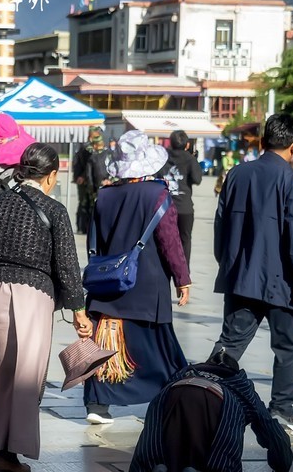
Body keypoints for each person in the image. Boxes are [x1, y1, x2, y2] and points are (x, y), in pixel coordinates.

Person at [0, 143, 88, 472]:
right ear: (51, 175)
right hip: (29, 295)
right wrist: (79, 312)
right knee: (24, 375)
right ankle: (8, 455)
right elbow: (68, 266)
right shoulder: (54, 209)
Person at [212, 114, 293, 433]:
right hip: (282, 281)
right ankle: (282, 408)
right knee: (287, 346)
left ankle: (208, 393)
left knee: (230, 342)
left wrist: (228, 262)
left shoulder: (237, 173)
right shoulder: (291, 181)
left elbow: (221, 224)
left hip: (242, 275)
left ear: (263, 141)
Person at [106, 349, 293, 472]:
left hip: (170, 395)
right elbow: (272, 433)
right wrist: (283, 470)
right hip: (220, 401)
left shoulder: (183, 373)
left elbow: (145, 449)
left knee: (154, 456)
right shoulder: (241, 384)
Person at [83, 131, 192, 426]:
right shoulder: (156, 194)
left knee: (105, 349)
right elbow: (170, 241)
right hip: (146, 287)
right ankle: (173, 397)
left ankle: (98, 403)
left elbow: (93, 240)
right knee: (159, 350)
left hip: (107, 286)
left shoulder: (104, 195)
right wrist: (182, 279)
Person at [162, 129, 203, 263]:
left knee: (164, 239)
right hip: (184, 207)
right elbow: (197, 179)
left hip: (164, 207)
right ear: (187, 145)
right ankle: (184, 272)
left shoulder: (163, 157)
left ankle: (166, 269)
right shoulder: (189, 159)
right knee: (185, 239)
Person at [72, 126, 104, 235]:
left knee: (91, 205)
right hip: (85, 181)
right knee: (83, 204)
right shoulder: (85, 148)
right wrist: (79, 176)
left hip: (92, 180)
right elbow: (80, 164)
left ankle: (87, 227)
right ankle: (82, 227)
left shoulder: (97, 149)